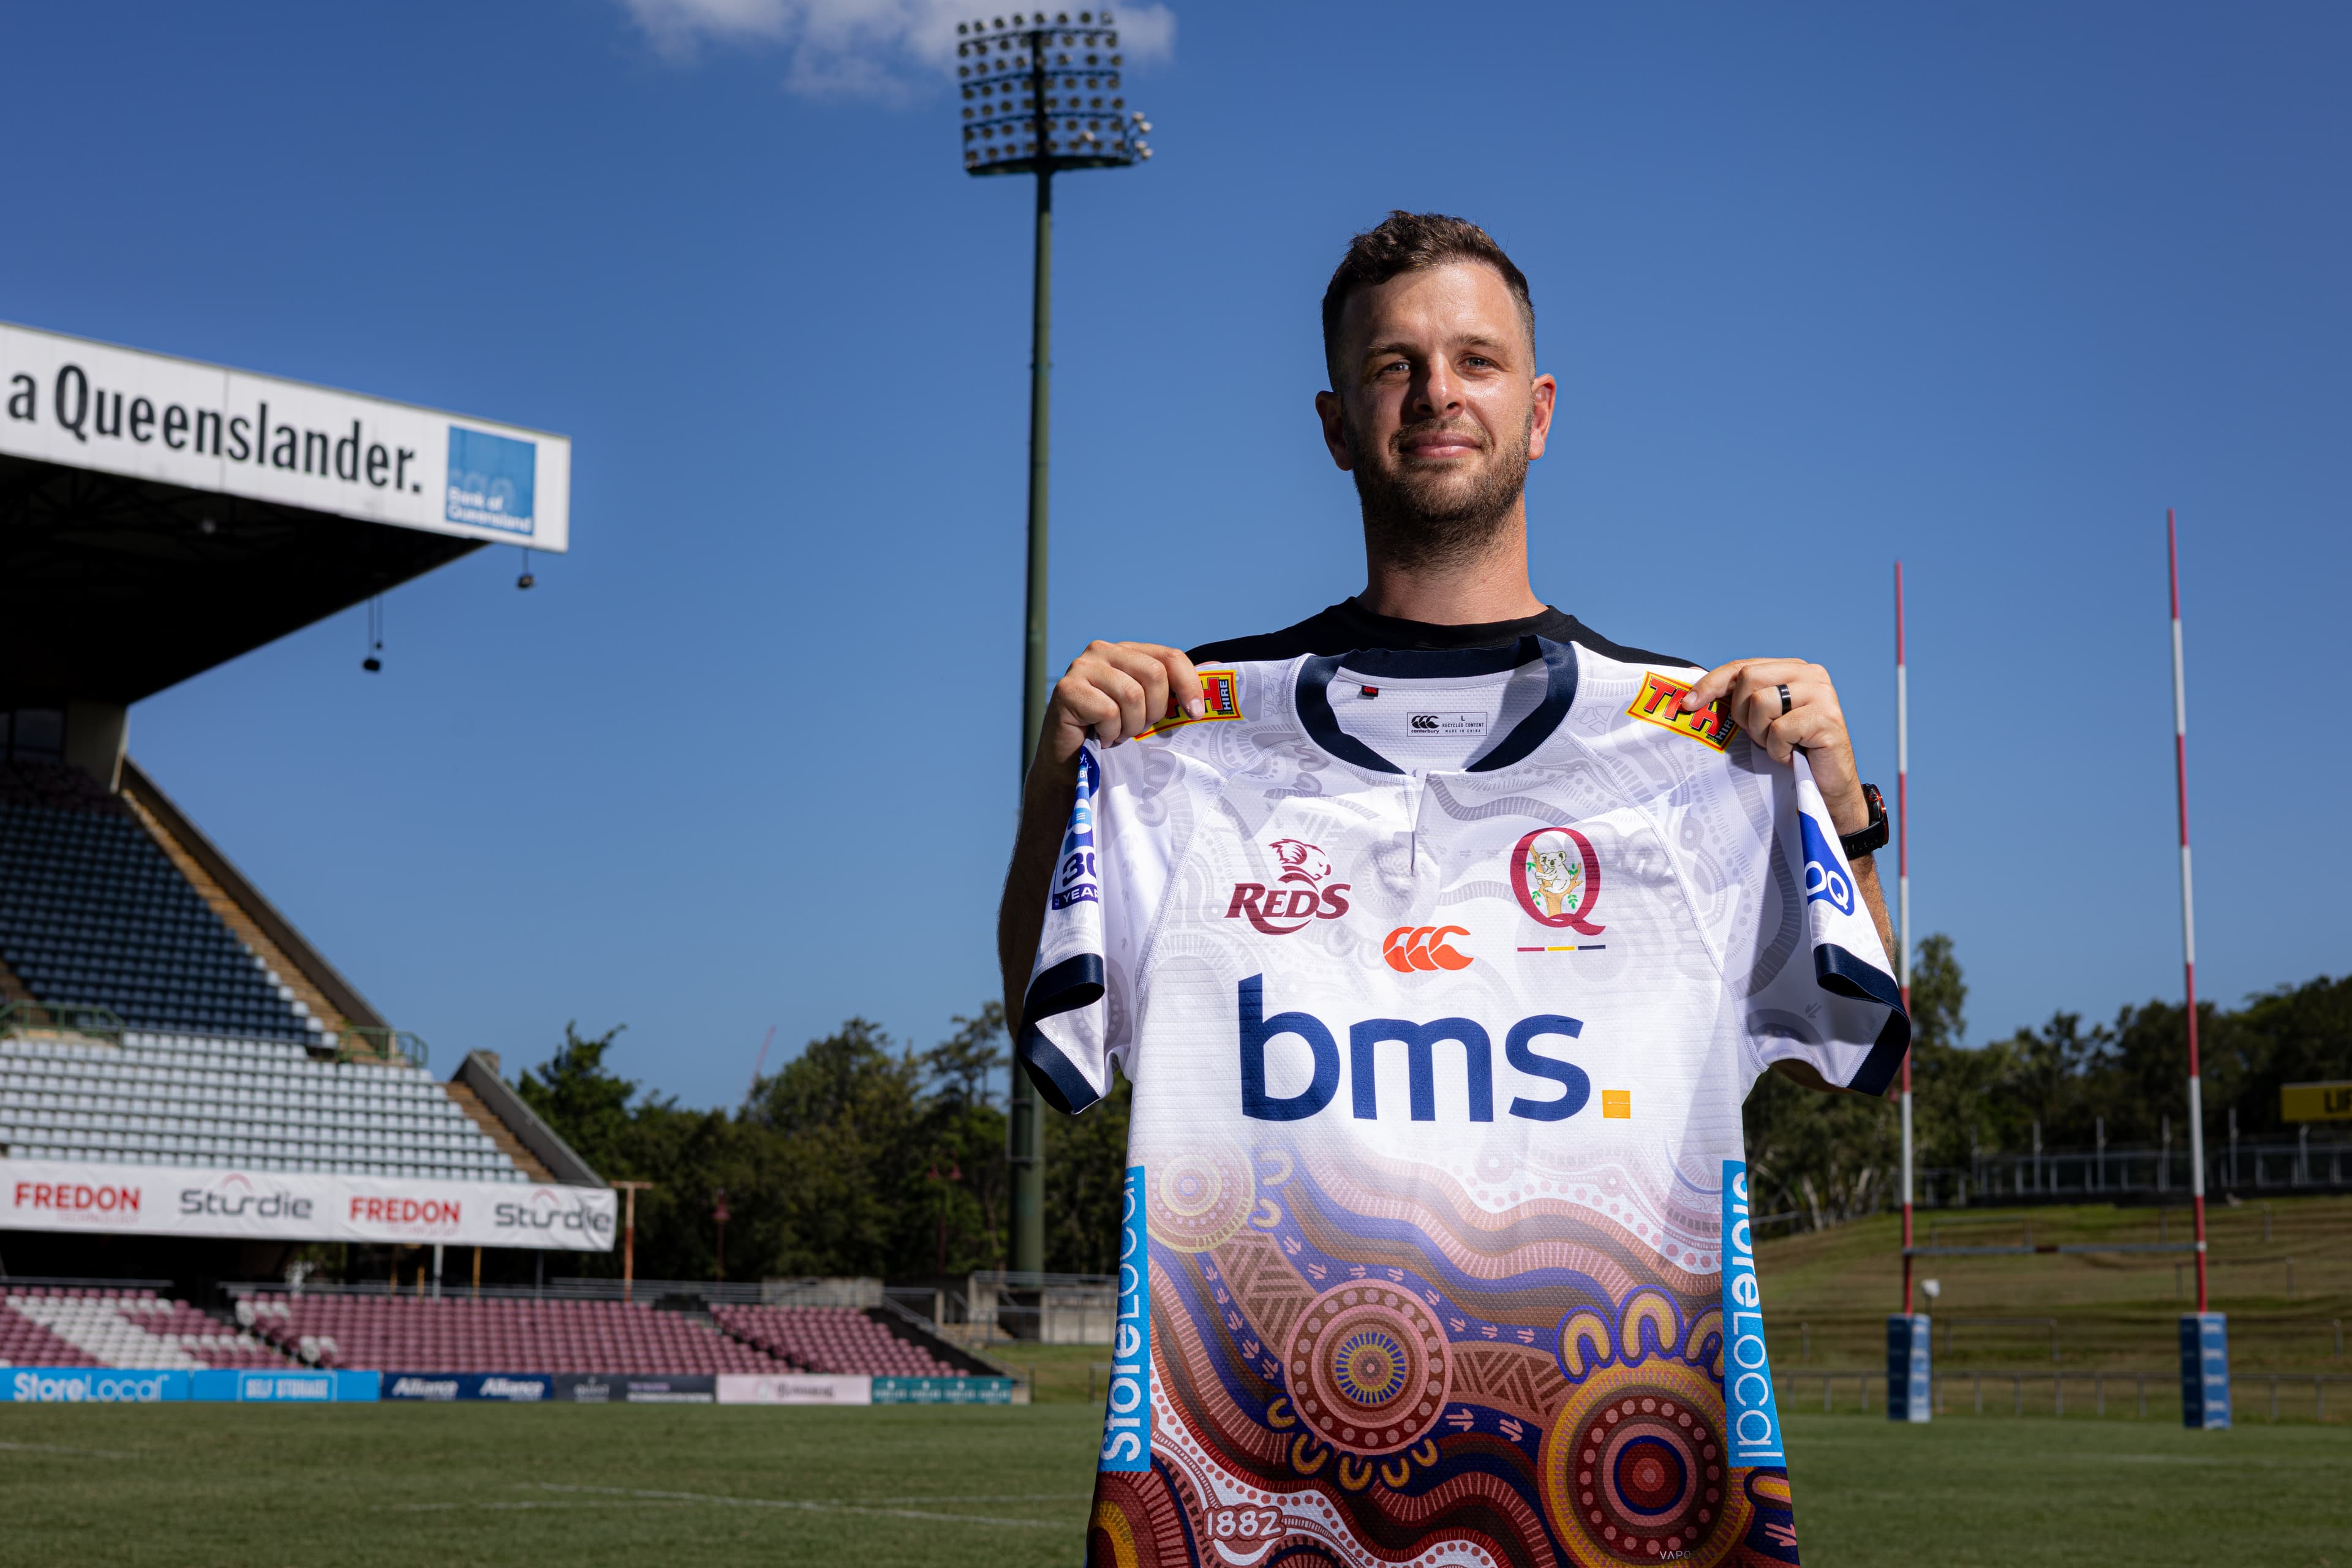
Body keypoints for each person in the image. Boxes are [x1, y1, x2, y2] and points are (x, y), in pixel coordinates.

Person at [998, 212, 1906, 1567]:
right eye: (1395, 365)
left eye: (1476, 360)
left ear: (1537, 411)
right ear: (1333, 420)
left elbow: (1873, 1050)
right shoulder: (1180, 743)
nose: (1437, 393)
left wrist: (1842, 812)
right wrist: (1057, 783)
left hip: (1613, 1505)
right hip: (1254, 1506)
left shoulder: (1696, 754)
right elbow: (1047, 1026)